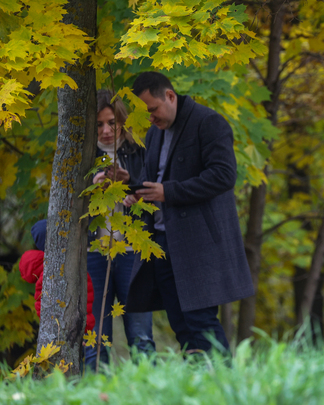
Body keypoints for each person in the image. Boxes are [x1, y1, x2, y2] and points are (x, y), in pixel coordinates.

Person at [124, 72, 254, 353]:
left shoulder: (208, 122)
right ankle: (198, 388)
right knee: (181, 325)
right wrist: (134, 191)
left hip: (197, 245)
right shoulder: (155, 132)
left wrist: (168, 192)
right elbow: (152, 178)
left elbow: (223, 176)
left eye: (152, 110)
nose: (150, 118)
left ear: (170, 96)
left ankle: (224, 388)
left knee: (201, 322)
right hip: (160, 243)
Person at [85, 89, 155, 368]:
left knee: (141, 334)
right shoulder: (81, 155)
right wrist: (94, 186)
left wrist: (132, 184)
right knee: (95, 338)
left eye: (111, 123)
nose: (105, 131)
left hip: (131, 251)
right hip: (94, 253)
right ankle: (93, 393)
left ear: (122, 121)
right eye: (99, 124)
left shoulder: (139, 152)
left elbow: (154, 199)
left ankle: (150, 391)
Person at [18, 219, 95, 334]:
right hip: (70, 328)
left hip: (66, 327)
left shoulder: (54, 270)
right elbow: (86, 296)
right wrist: (86, 328)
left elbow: (40, 305)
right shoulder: (60, 269)